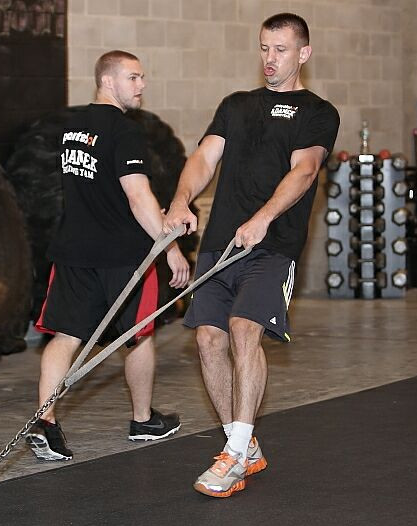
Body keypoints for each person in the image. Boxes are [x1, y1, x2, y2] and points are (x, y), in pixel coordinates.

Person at [164, 13, 340, 496]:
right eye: (264, 48)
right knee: (207, 341)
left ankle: (234, 456)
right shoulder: (236, 105)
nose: (270, 59)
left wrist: (264, 217)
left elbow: (304, 171)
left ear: (303, 53)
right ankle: (243, 444)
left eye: (281, 50)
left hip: (273, 246)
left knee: (245, 331)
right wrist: (181, 199)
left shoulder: (318, 112)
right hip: (220, 244)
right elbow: (203, 158)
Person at [26, 50, 190, 461]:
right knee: (138, 336)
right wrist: (171, 249)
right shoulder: (125, 131)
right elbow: (139, 197)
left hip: (75, 250)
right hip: (123, 255)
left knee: (66, 335)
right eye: (133, 78)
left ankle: (46, 422)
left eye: (142, 78)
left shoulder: (72, 129)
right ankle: (142, 420)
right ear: (108, 81)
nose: (141, 86)